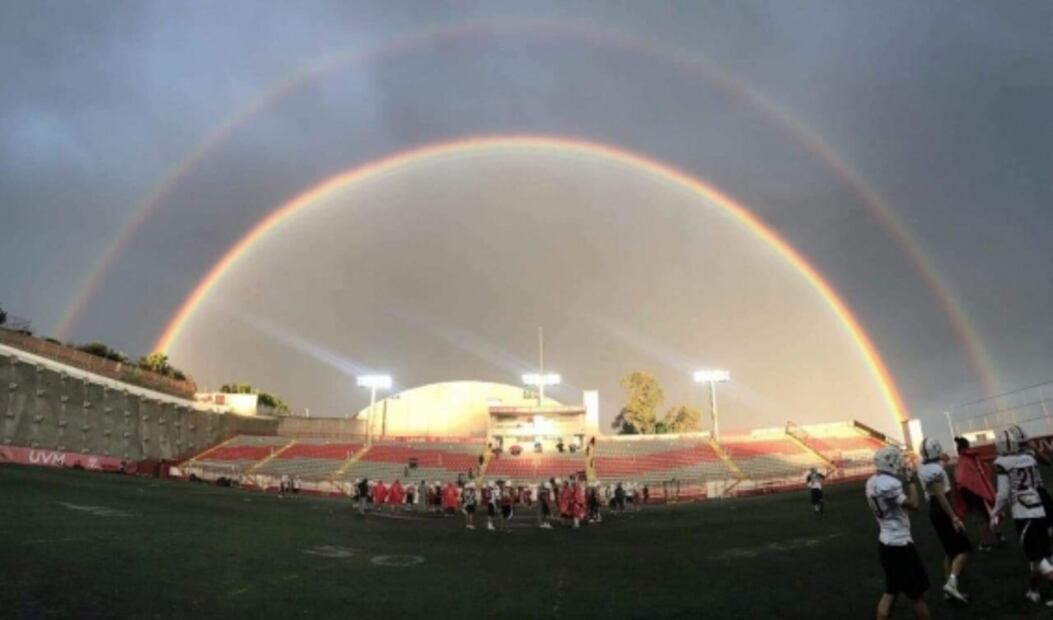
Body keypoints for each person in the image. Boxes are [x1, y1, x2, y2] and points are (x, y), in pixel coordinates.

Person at [866, 445, 931, 620]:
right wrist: (911, 482)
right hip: (899, 545)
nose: (899, 463)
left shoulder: (871, 482)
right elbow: (914, 504)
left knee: (890, 591)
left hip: (885, 542)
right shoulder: (889, 484)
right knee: (917, 596)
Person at [991, 424, 1053, 606]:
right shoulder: (1029, 458)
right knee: (1044, 552)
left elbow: (1002, 494)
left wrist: (994, 512)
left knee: (1035, 555)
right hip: (1039, 507)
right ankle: (1033, 590)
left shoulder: (1001, 463)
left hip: (1023, 512)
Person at [917, 438, 971, 605]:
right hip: (942, 509)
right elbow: (940, 495)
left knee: (950, 551)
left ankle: (950, 591)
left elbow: (939, 468)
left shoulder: (925, 467)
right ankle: (951, 583)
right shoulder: (933, 470)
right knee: (964, 548)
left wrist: (944, 460)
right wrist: (953, 517)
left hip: (937, 509)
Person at [952, 436, 1000, 551]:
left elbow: (959, 479)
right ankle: (996, 536)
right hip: (981, 491)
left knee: (983, 518)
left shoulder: (963, 460)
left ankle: (985, 543)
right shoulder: (974, 457)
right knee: (991, 513)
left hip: (972, 494)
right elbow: (985, 469)